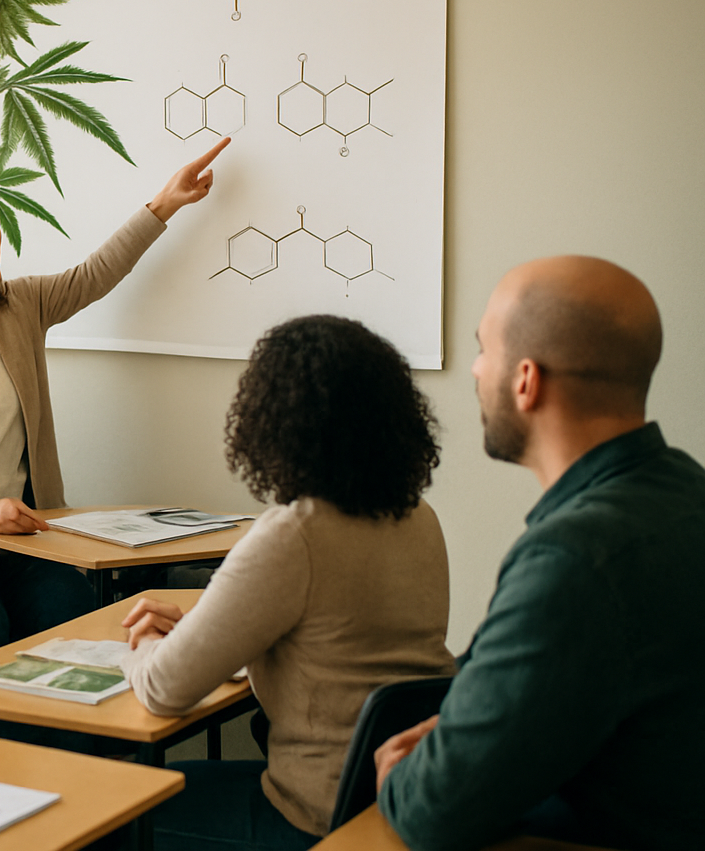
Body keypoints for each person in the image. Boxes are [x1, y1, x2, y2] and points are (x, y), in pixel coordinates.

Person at [0, 138, 231, 655]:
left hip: (11, 545)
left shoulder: (20, 305)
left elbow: (95, 275)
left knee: (78, 615)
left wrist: (165, 203)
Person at [374, 257, 705, 851]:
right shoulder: (687, 490)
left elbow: (430, 811)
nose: (476, 370)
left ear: (525, 380)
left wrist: (403, 777)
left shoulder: (573, 560)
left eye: (484, 350)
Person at [120, 315, 456, 851]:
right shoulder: (419, 517)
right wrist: (196, 631)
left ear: (273, 421)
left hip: (315, 812)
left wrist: (145, 646)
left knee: (113, 809)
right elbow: (333, 641)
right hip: (402, 794)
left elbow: (163, 690)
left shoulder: (294, 534)